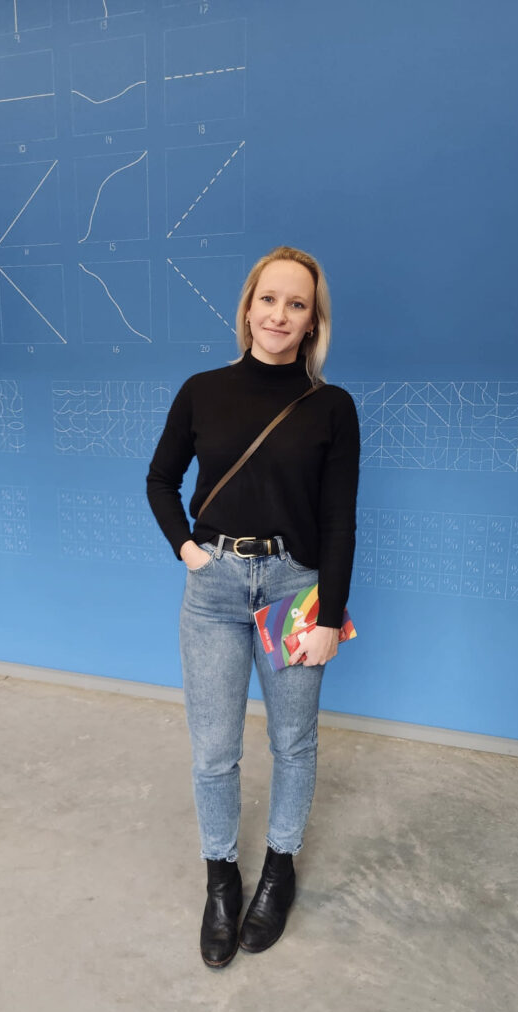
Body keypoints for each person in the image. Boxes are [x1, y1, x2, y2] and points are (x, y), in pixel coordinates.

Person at [146, 246, 360, 968]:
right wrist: (188, 550)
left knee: (292, 742)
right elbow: (159, 480)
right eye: (268, 299)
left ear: (312, 323)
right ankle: (220, 877)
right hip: (212, 590)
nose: (279, 314)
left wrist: (329, 613)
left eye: (296, 304)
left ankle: (279, 867)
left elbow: (338, 518)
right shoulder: (202, 390)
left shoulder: (332, 407)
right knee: (213, 750)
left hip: (294, 588)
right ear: (246, 309)